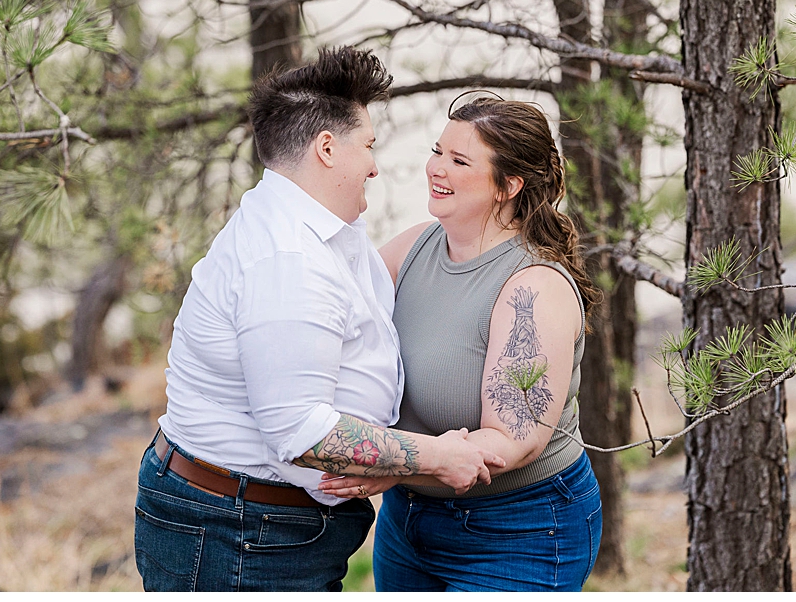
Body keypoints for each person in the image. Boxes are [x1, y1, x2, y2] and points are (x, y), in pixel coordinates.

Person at [135, 48, 505, 591]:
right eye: (369, 146)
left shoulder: (320, 228)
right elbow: (300, 431)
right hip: (239, 538)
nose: (376, 165)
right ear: (327, 149)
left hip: (259, 525)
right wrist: (436, 456)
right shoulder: (286, 260)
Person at [317, 96, 603, 590]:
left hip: (521, 529)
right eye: (438, 151)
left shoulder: (533, 289)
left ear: (508, 186)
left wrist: (395, 462)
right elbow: (327, 306)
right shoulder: (417, 245)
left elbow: (512, 440)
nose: (437, 168)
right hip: (409, 519)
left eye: (460, 160)